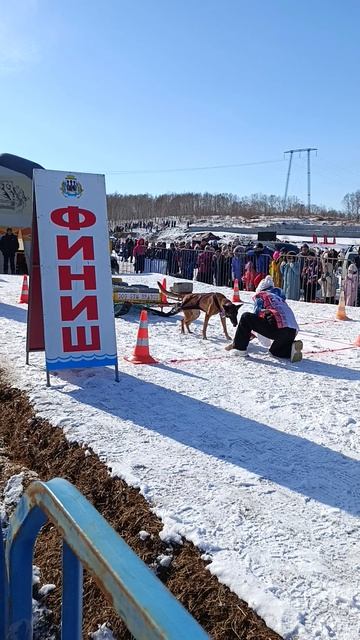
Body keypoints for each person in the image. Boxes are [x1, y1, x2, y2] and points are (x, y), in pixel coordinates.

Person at [225, 275, 303, 362]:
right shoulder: (279, 299)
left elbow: (256, 318)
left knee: (246, 317)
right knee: (274, 352)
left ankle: (239, 349)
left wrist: (242, 338)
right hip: (292, 330)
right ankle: (289, 348)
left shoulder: (261, 296)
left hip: (278, 329)